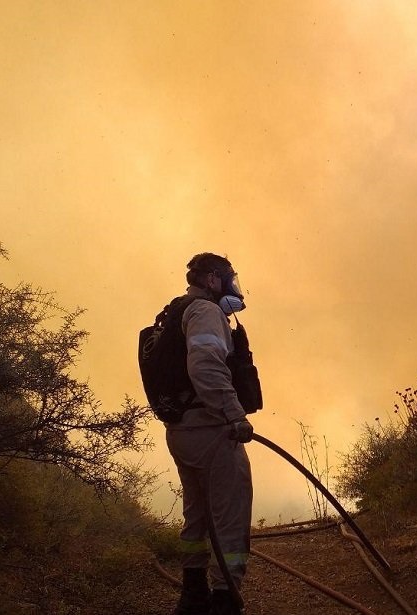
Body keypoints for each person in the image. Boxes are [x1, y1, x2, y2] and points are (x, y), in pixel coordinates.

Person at [167, 252, 254, 615]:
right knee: (229, 516)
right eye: (229, 278)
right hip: (211, 430)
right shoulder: (205, 312)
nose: (233, 286)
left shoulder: (177, 311)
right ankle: (223, 600)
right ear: (214, 279)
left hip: (183, 430)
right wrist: (234, 415)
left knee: (197, 514)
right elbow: (205, 367)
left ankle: (193, 596)